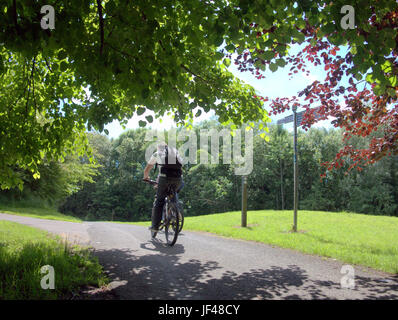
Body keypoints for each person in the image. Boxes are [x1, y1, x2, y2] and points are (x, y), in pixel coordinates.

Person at [143, 142, 184, 232]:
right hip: (178, 179)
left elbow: (147, 169)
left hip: (164, 178)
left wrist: (146, 177)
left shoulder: (157, 154)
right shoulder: (175, 152)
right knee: (174, 192)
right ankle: (176, 209)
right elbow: (182, 164)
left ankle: (155, 227)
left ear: (158, 148)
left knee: (159, 201)